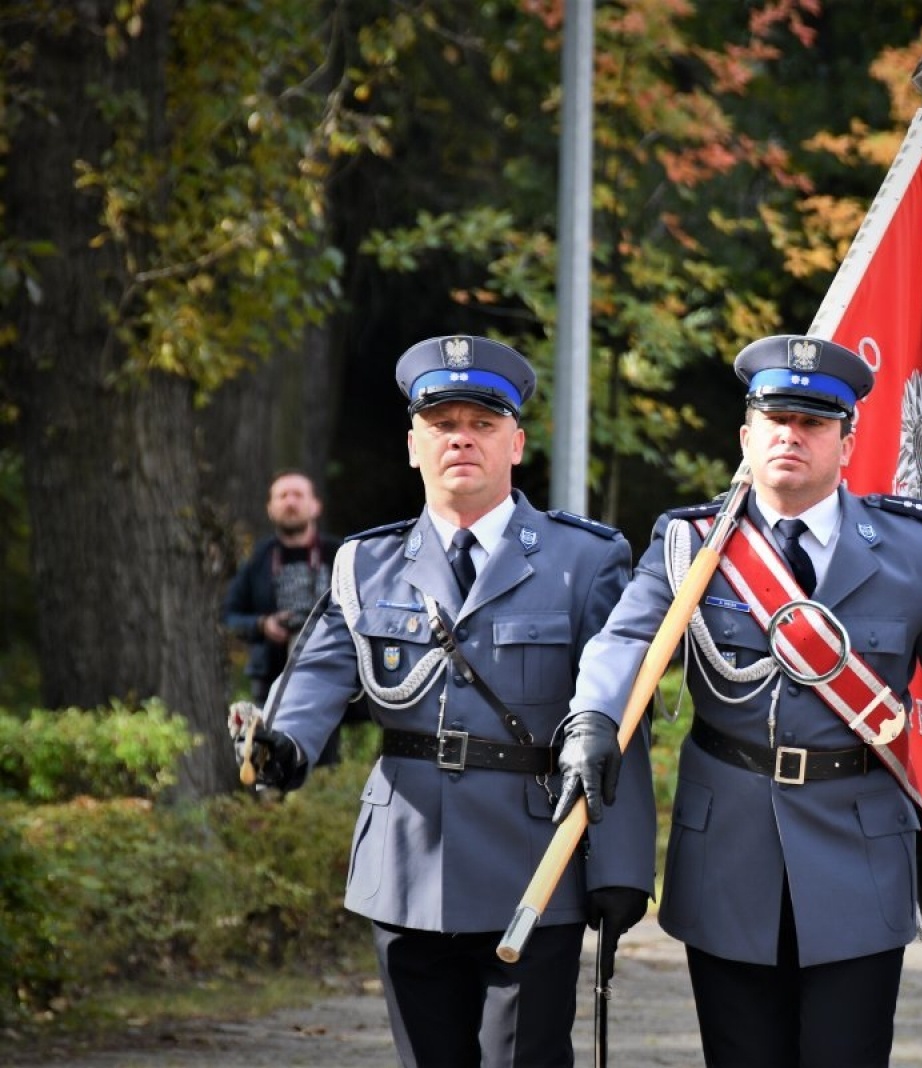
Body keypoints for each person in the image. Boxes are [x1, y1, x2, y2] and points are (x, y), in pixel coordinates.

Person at [570, 334, 922, 1068]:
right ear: (747, 434)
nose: (790, 436)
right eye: (775, 419)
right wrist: (592, 719)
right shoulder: (690, 545)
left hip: (858, 856)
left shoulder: (912, 551)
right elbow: (623, 644)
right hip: (727, 855)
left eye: (812, 422)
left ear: (846, 438)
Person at [232, 335, 655, 1068]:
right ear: (412, 444)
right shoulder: (366, 563)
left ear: (515, 443)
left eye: (483, 423)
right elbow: (322, 671)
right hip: (406, 863)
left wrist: (619, 869)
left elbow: (618, 716)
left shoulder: (584, 560)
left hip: (534, 861)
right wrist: (284, 744)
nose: (461, 437)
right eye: (442, 423)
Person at [222, 470, 350, 764]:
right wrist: (262, 625)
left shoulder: (341, 554)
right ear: (270, 508)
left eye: (298, 495)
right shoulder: (258, 560)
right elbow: (228, 616)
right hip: (270, 681)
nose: (290, 502)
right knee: (268, 761)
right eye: (282, 496)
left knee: (323, 764)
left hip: (329, 679)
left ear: (315, 506)